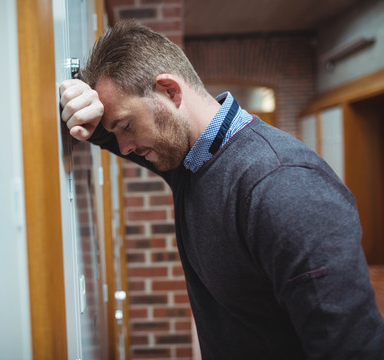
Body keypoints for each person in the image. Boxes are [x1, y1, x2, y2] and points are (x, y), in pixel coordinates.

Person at [59, 20, 384, 359]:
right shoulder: (190, 161)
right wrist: (82, 100)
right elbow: (103, 133)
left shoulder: (284, 185)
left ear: (170, 91)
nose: (123, 147)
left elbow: (351, 347)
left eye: (126, 126)